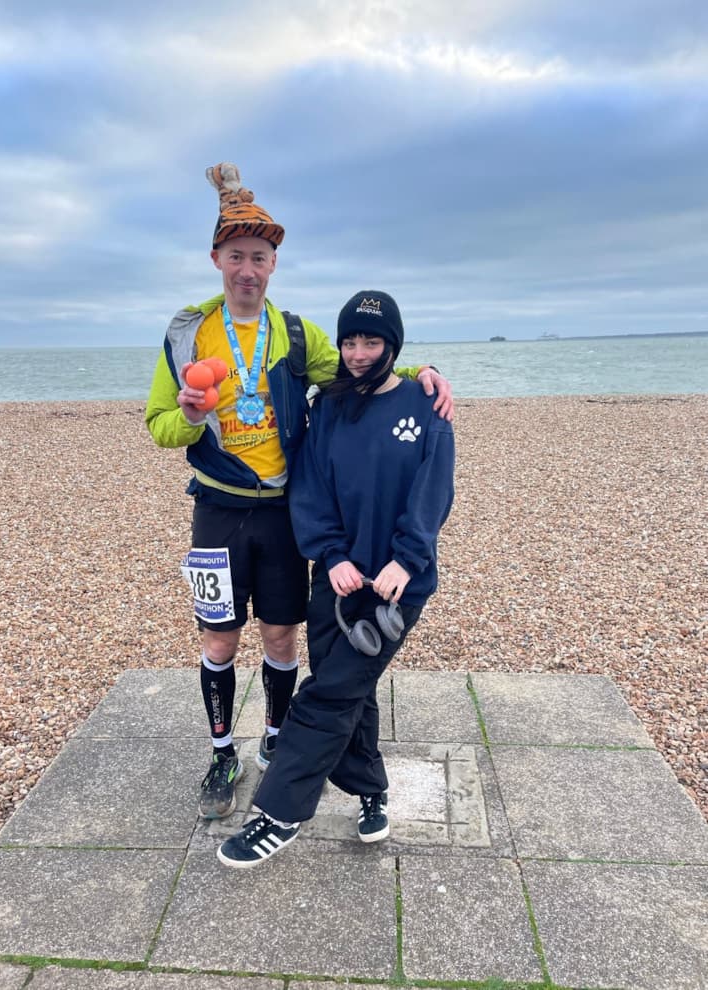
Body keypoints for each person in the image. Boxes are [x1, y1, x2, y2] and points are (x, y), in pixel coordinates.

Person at [146, 164, 454, 823]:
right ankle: (221, 754)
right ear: (216, 260)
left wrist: (417, 371)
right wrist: (191, 416)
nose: (247, 269)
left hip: (284, 513)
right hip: (217, 510)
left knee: (282, 637)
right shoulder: (186, 335)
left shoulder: (293, 333)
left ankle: (276, 737)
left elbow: (356, 368)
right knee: (219, 640)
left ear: (273, 264)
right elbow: (159, 426)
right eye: (236, 256)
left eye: (259, 258)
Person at [217, 289, 455, 867]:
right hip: (338, 579)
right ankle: (371, 790)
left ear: (392, 345)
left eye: (371, 341)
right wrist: (332, 555)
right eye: (349, 341)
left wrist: (407, 559)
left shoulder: (426, 405)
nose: (358, 353)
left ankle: (279, 815)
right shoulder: (327, 408)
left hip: (398, 584)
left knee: (327, 694)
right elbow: (310, 487)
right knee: (348, 687)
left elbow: (433, 493)